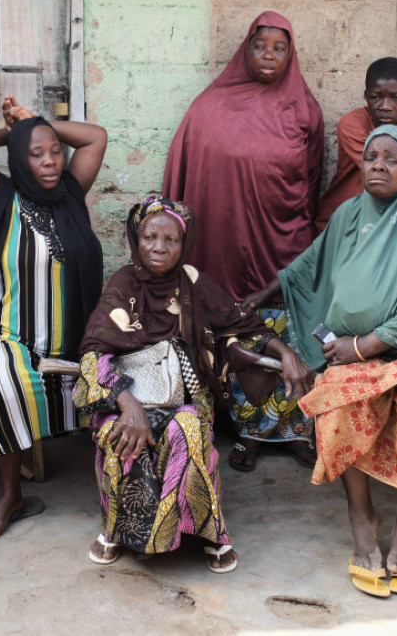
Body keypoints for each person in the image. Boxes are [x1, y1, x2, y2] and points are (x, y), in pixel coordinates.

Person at [246, 127, 397, 597]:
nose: (378, 166)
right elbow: (307, 266)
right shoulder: (350, 214)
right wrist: (256, 298)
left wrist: (369, 343)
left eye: (392, 159)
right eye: (371, 157)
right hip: (354, 351)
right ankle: (361, 513)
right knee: (336, 399)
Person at [73, 197, 312, 573]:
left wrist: (285, 352)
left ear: (184, 245)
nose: (159, 248)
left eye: (171, 240)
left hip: (184, 396)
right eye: (150, 237)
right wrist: (129, 405)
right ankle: (118, 529)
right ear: (137, 239)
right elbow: (92, 352)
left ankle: (211, 532)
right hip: (129, 395)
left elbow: (239, 322)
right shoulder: (123, 282)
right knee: (118, 434)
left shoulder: (193, 281)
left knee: (187, 430)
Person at [163, 11, 324, 472]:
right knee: (241, 332)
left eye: (279, 47)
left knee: (291, 331)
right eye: (260, 46)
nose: (268, 54)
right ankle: (248, 432)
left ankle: (294, 431)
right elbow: (189, 165)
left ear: (291, 54)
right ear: (245, 50)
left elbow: (313, 179)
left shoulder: (304, 108)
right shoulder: (211, 104)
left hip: (284, 238)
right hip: (226, 243)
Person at [0, 97, 106, 538]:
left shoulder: (72, 192)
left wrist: (36, 124)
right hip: (11, 332)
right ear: (19, 159)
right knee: (10, 378)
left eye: (55, 151)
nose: (50, 161)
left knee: (115, 379)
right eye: (36, 154)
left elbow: (97, 137)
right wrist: (17, 132)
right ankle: (10, 496)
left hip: (71, 340)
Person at [316, 58, 397, 233]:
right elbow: (395, 175)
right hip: (347, 221)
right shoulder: (352, 124)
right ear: (366, 96)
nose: (385, 106)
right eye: (375, 97)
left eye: (395, 98)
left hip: (394, 221)